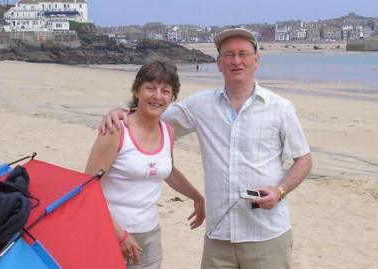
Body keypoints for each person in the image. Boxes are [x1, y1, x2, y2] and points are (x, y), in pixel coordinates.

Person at [100, 28, 313, 269]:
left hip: (266, 234)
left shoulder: (280, 108)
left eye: (243, 54)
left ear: (257, 60)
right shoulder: (201, 105)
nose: (236, 61)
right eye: (229, 55)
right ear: (219, 63)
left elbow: (303, 159)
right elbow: (150, 117)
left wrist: (280, 191)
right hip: (219, 235)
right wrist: (122, 113)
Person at [85, 59, 205, 269]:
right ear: (137, 90)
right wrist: (119, 235)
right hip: (109, 232)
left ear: (172, 97)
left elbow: (168, 171)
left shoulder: (167, 131)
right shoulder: (116, 130)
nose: (157, 96)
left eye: (165, 91)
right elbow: (86, 188)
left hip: (149, 234)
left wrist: (198, 198)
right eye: (150, 88)